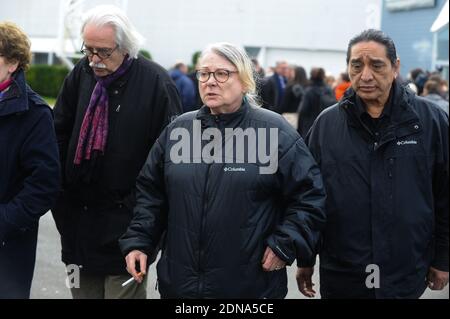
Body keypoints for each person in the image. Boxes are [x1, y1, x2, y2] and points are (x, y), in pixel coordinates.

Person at [119, 42, 326, 298]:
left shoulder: (274, 132)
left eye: (222, 73)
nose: (210, 81)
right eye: (204, 74)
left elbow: (309, 196)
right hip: (181, 287)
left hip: (249, 288)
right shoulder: (178, 131)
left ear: (245, 80)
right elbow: (151, 194)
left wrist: (285, 243)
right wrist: (140, 241)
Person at [298, 29, 449, 299]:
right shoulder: (326, 125)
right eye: (357, 66)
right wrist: (306, 257)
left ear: (395, 67)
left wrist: (443, 259)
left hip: (405, 271)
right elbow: (308, 197)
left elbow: (446, 195)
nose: (365, 76)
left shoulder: (431, 122)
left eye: (376, 65)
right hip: (343, 273)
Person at [52, 5, 182, 299]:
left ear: (126, 47)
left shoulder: (157, 85)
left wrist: (143, 228)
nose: (94, 60)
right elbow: (57, 134)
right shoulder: (81, 74)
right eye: (88, 50)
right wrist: (61, 197)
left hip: (128, 232)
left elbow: (168, 164)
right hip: (77, 228)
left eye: (103, 52)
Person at [0, 22, 60, 298]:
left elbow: (44, 185)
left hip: (7, 251)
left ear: (12, 63)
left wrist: (3, 222)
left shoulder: (34, 114)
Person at [296, 67, 336, 138]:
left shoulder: (309, 91)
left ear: (311, 75)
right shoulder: (328, 90)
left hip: (309, 126)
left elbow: (303, 110)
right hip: (325, 125)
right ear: (323, 76)